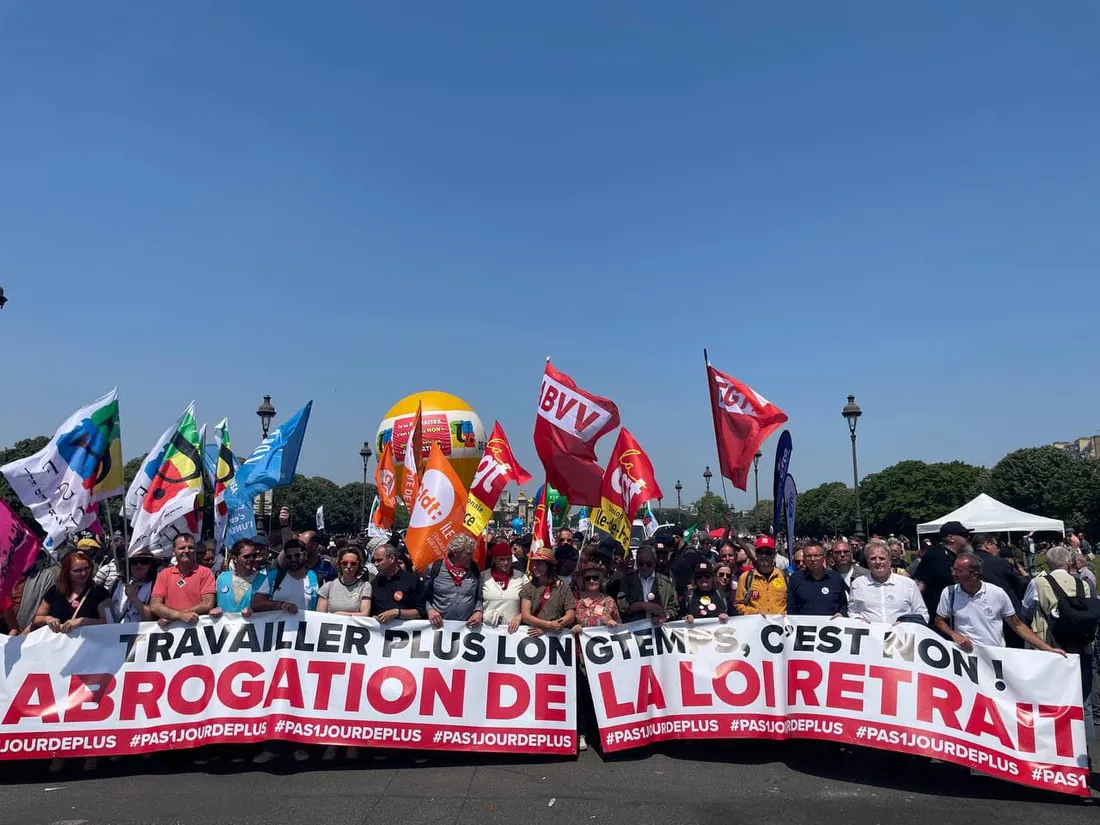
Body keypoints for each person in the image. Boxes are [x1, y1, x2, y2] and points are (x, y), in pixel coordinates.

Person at [935, 553, 1065, 655]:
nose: (953, 574)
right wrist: (954, 635)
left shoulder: (997, 593)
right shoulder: (949, 593)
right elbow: (939, 621)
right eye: (953, 569)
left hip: (995, 656)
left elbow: (1017, 625)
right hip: (966, 656)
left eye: (958, 571)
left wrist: (1047, 648)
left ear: (974, 575)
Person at [572, 561, 618, 753]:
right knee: (581, 696)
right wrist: (571, 627)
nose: (592, 581)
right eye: (588, 578)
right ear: (582, 580)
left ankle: (602, 734)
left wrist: (612, 622)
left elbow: (620, 627)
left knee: (601, 696)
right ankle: (581, 733)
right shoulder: (575, 600)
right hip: (580, 655)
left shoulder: (609, 601)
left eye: (595, 578)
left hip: (602, 658)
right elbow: (567, 620)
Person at [32, 550, 111, 633]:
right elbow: (37, 619)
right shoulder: (55, 591)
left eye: (86, 568)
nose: (84, 573)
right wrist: (47, 619)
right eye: (78, 570)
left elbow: (109, 622)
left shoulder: (100, 592)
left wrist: (84, 622)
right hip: (56, 643)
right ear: (67, 572)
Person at [849, 543, 927, 623]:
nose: (878, 562)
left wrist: (906, 623)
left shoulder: (909, 584)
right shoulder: (858, 584)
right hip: (870, 633)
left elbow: (922, 614)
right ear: (867, 562)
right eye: (873, 558)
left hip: (901, 633)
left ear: (890, 561)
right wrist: (857, 620)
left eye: (882, 558)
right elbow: (852, 612)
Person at [150, 535, 216, 626]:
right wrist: (179, 615)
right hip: (171, 630)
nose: (187, 551)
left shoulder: (206, 573)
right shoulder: (164, 574)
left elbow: (208, 604)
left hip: (197, 630)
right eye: (182, 548)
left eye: (190, 547)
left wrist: (172, 616)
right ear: (173, 552)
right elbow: (154, 606)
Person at [915, 521, 971, 624]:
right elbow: (921, 584)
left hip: (961, 612)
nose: (968, 538)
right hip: (938, 615)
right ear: (951, 538)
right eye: (964, 535)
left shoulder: (963, 557)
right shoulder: (934, 555)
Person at [424, 534, 484, 627]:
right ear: (456, 552)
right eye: (468, 554)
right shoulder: (434, 568)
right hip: (439, 626)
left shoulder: (474, 569)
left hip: (466, 627)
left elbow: (479, 596)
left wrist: (478, 611)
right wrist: (430, 610)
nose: (471, 557)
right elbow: (424, 596)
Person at [252, 538, 320, 615]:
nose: (293, 559)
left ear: (305, 555)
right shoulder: (274, 576)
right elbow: (256, 603)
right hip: (279, 626)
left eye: (297, 555)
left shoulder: (317, 578)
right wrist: (280, 605)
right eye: (289, 557)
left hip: (306, 626)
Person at [520, 547, 575, 637]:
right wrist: (549, 625)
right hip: (532, 636)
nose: (534, 567)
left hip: (556, 637)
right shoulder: (528, 587)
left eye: (539, 564)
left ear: (549, 566)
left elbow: (570, 616)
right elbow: (526, 617)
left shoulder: (563, 587)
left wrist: (548, 628)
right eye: (534, 563)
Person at [616, 546, 678, 624]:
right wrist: (641, 605)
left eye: (648, 564)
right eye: (641, 564)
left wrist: (665, 616)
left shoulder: (666, 583)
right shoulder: (627, 581)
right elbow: (621, 606)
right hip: (635, 629)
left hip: (658, 629)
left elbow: (674, 607)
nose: (644, 567)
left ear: (655, 563)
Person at [788, 542, 848, 617]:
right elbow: (791, 608)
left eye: (816, 556)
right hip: (804, 626)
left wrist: (841, 613)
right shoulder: (795, 578)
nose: (813, 559)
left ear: (824, 557)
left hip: (830, 626)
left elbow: (843, 604)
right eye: (809, 556)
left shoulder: (836, 578)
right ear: (804, 558)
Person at [369, 543, 425, 622]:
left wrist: (397, 613)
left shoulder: (413, 580)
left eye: (379, 560)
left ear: (392, 558)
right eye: (374, 561)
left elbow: (421, 612)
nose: (376, 564)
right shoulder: (374, 584)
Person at [735, 538, 788, 616]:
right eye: (760, 552)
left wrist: (787, 613)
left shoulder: (784, 577)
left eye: (768, 553)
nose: (764, 556)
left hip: (780, 625)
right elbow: (738, 604)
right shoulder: (745, 577)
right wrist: (755, 613)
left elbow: (792, 604)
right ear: (756, 554)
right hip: (756, 625)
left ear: (774, 554)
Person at [481, 541, 526, 632]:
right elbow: (475, 602)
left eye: (509, 559)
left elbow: (531, 602)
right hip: (486, 631)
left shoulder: (522, 577)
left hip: (513, 632)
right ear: (494, 559)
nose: (506, 562)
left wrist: (520, 617)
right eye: (502, 559)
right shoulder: (483, 577)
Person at [107, 547, 159, 623]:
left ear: (151, 564)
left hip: (143, 632)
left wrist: (134, 598)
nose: (139, 565)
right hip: (116, 631)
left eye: (144, 561)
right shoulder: (117, 584)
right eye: (134, 561)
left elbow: (151, 619)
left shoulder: (156, 584)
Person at [317, 546, 372, 616]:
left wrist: (340, 614)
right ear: (339, 564)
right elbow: (320, 616)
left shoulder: (365, 587)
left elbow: (365, 614)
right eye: (344, 563)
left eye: (353, 563)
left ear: (358, 565)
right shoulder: (327, 587)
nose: (348, 566)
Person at [213, 539, 262, 615]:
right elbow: (214, 604)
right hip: (224, 625)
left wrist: (254, 612)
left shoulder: (263, 580)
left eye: (254, 556)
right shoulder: (222, 578)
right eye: (247, 556)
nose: (252, 559)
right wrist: (214, 610)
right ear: (235, 559)